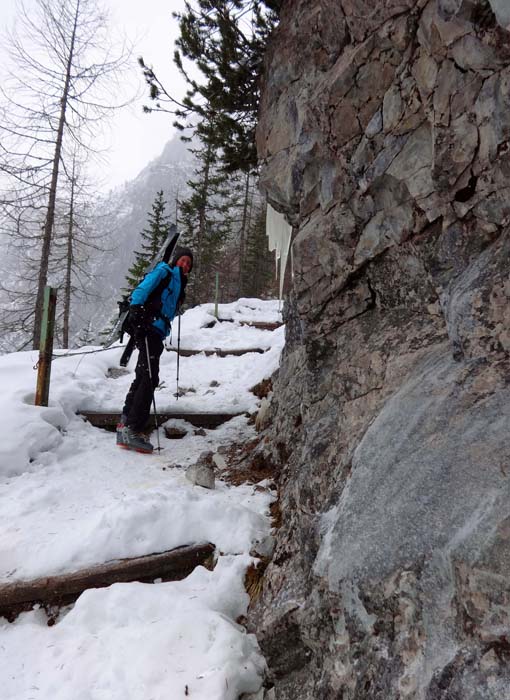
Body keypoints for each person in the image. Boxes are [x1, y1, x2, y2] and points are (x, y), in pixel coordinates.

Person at [118, 246, 193, 453]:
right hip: (148, 327)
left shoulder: (179, 283)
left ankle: (125, 424)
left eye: (189, 263)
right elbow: (143, 289)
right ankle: (132, 429)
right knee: (150, 377)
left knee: (144, 374)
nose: (185, 264)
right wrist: (136, 311)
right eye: (183, 260)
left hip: (156, 331)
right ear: (176, 260)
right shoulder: (164, 271)